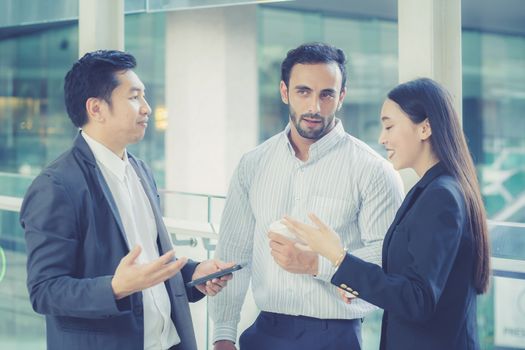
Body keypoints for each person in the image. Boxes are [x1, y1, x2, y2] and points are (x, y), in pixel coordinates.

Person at [20, 50, 234, 350]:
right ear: (96, 108)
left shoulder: (140, 170)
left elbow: (146, 266)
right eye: (134, 97)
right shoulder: (56, 186)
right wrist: (114, 288)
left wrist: (192, 274)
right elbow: (44, 291)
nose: (146, 108)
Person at [210, 42, 404, 350]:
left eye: (326, 94)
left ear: (341, 97)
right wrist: (223, 333)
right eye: (303, 92)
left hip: (334, 335)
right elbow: (234, 252)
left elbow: (386, 256)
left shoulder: (373, 170)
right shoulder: (253, 164)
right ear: (285, 92)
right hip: (263, 331)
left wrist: (318, 264)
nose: (315, 106)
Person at [284, 78, 491, 350]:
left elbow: (418, 300)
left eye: (389, 126)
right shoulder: (431, 189)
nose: (382, 138)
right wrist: (356, 282)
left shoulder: (441, 196)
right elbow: (409, 283)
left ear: (425, 128)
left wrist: (337, 256)